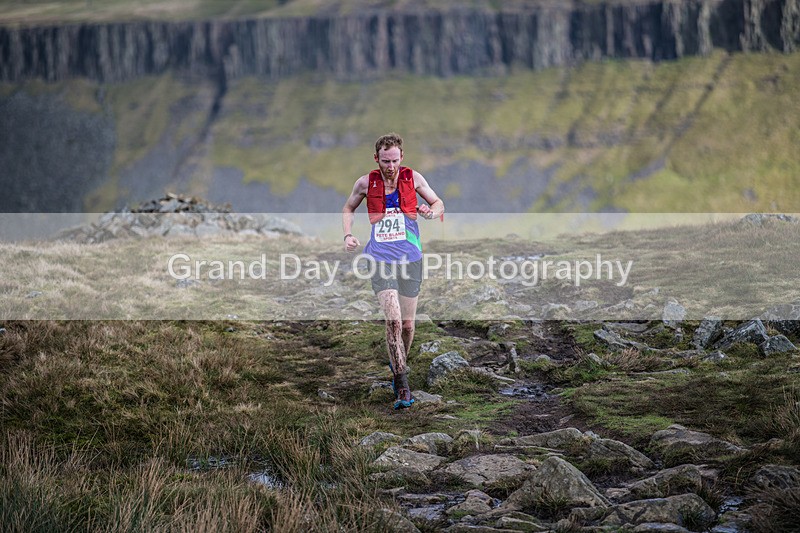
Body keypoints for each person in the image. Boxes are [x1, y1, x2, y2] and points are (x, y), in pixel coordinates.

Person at [342, 133, 445, 410]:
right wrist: (348, 234)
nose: (390, 166)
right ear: (377, 158)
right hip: (380, 259)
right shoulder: (366, 183)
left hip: (411, 259)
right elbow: (349, 207)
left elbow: (439, 204)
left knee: (408, 327)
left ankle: (399, 360)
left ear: (402, 157)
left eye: (395, 160)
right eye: (385, 161)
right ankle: (401, 384)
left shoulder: (415, 178)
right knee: (394, 322)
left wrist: (430, 213)